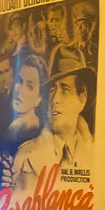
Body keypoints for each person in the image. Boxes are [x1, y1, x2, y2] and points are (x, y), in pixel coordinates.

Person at [10, 51, 95, 193]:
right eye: (51, 90)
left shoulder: (98, 155)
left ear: (82, 98)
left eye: (65, 89)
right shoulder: (24, 155)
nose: (54, 99)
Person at [0, 50, 48, 193]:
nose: (19, 90)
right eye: (18, 81)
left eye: (29, 86)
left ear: (39, 99)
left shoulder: (30, 129)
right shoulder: (11, 124)